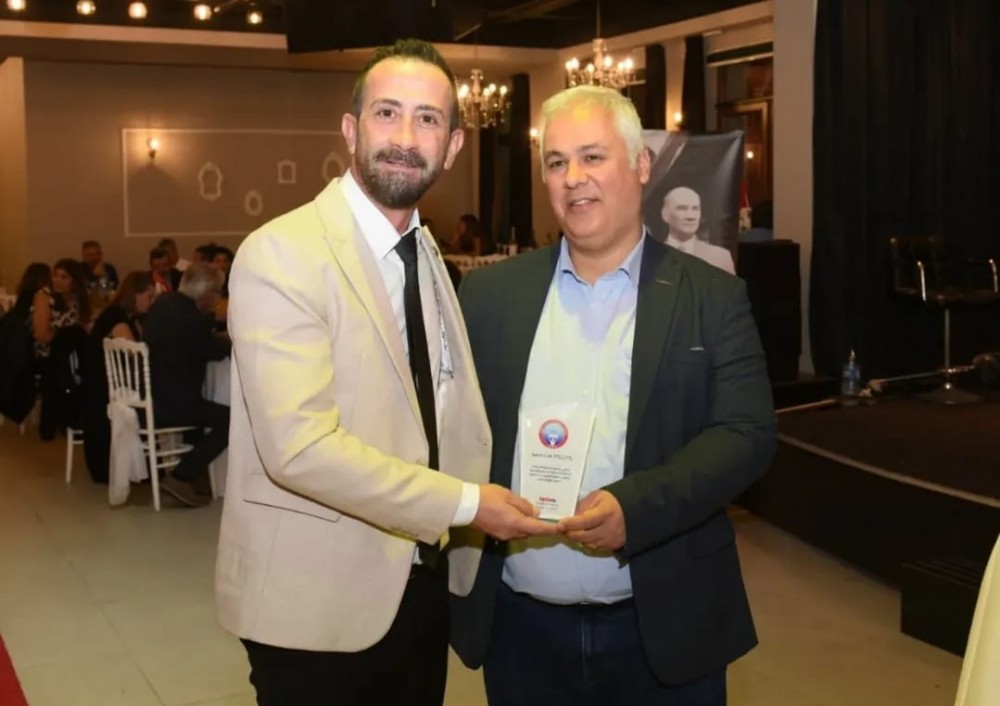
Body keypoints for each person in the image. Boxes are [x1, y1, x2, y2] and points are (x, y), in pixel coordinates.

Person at [214, 39, 554, 706]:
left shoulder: (425, 254)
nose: (404, 138)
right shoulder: (282, 254)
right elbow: (300, 449)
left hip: (420, 588)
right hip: (314, 607)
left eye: (427, 119)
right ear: (351, 130)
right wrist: (468, 505)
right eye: (387, 113)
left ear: (452, 147)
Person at [450, 85, 776, 706]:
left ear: (641, 165)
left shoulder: (711, 296)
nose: (574, 178)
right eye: (556, 162)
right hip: (521, 631)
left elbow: (747, 434)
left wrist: (637, 508)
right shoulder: (491, 297)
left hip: (664, 626)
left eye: (593, 157)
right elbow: (454, 429)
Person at [142, 263, 231, 507]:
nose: (217, 298)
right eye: (216, 292)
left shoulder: (163, 303)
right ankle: (182, 476)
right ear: (206, 293)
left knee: (202, 406)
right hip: (173, 405)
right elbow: (215, 350)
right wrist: (229, 338)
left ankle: (197, 476)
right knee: (231, 420)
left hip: (150, 396)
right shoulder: (193, 319)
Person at [80, 271, 156, 483]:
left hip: (100, 389)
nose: (152, 302)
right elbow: (137, 358)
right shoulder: (118, 320)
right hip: (105, 391)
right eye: (149, 296)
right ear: (135, 295)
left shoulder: (120, 316)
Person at [661, 186, 736, 274]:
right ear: (665, 215)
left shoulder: (720, 257)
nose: (690, 216)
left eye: (695, 209)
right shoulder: (652, 255)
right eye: (682, 208)